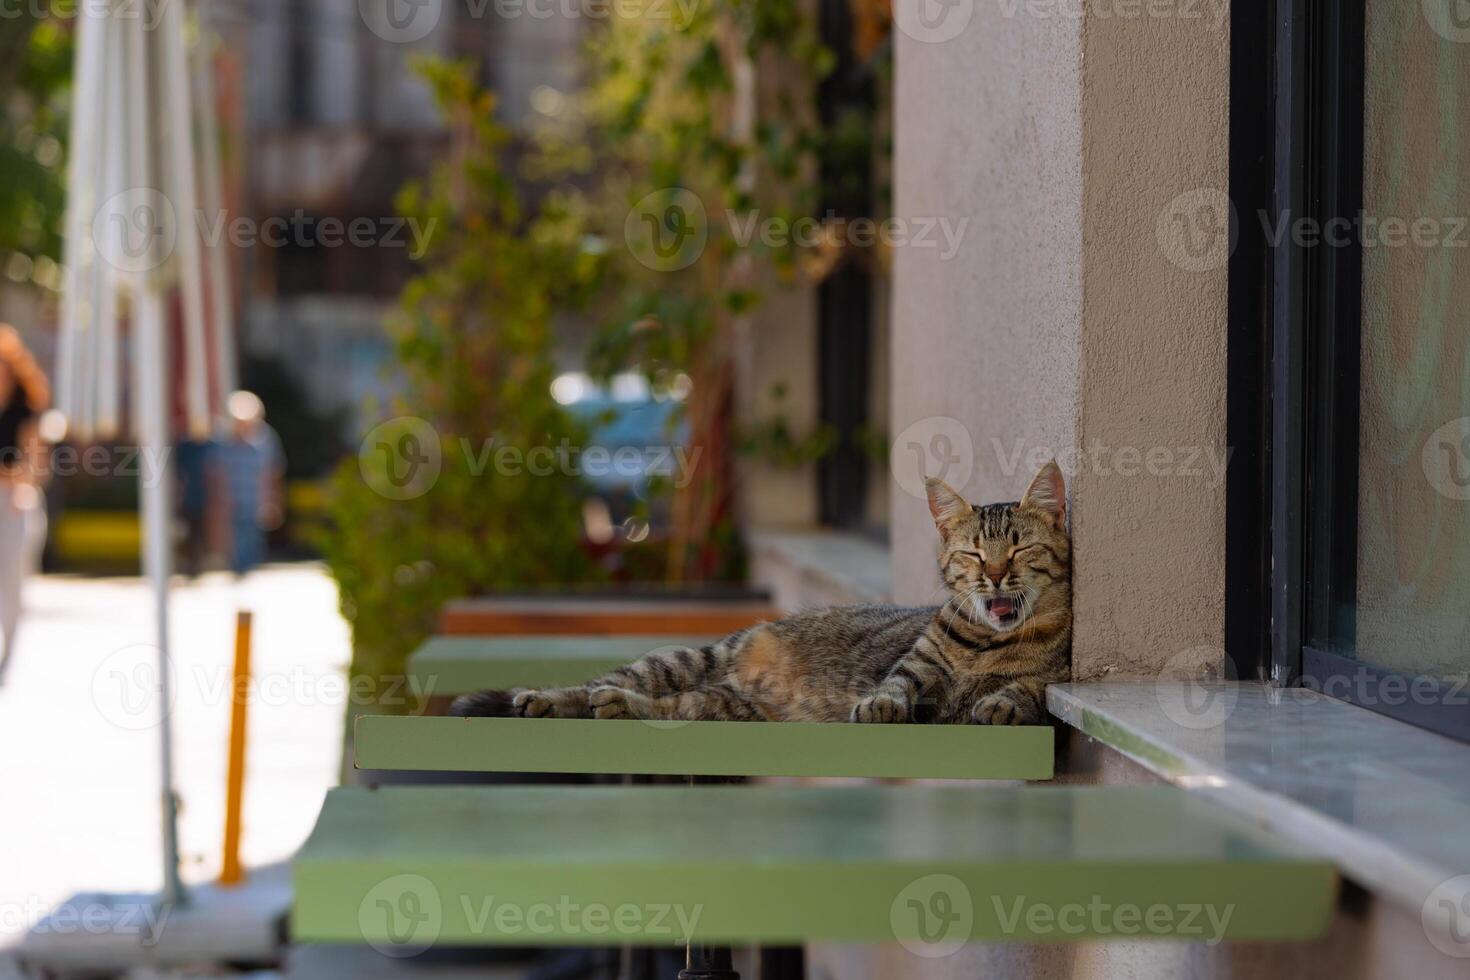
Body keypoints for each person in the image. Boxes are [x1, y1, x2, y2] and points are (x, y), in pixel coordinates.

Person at [0, 326, 50, 685]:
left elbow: (34, 469)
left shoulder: (25, 412)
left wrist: (15, 480)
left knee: (13, 581)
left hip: (12, 505)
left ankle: (9, 653)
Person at [219, 391, 284, 576]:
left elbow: (273, 471)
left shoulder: (265, 439)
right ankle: (238, 570)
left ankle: (249, 571)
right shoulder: (225, 441)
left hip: (257, 500)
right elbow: (219, 472)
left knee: (253, 539)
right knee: (235, 540)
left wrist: (275, 500)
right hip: (232, 500)